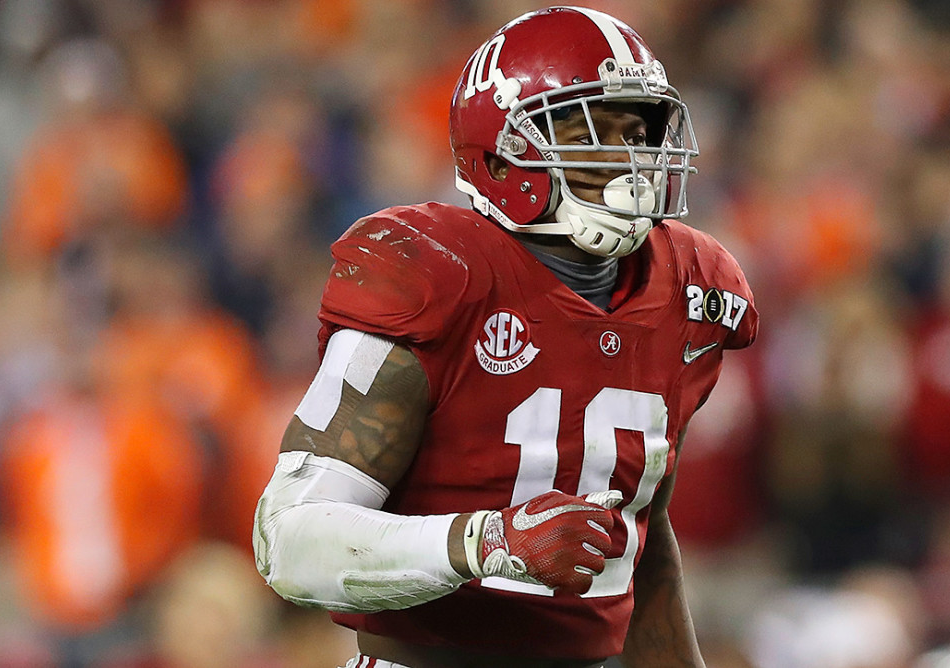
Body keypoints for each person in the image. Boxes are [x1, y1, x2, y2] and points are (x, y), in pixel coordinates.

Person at [251, 6, 757, 667]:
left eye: (637, 131)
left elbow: (642, 537)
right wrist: (487, 543)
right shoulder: (437, 276)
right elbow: (287, 539)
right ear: (502, 153)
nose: (629, 159)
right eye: (589, 132)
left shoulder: (687, 290)